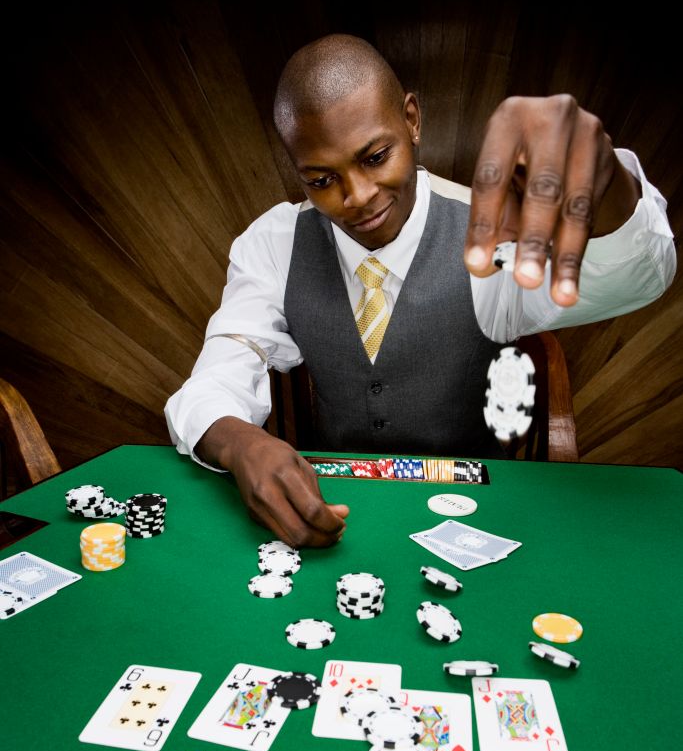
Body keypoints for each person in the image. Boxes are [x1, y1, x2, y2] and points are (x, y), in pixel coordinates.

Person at [165, 34, 675, 548]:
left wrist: (604, 182)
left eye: (375, 157)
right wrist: (239, 442)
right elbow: (222, 366)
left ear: (412, 119)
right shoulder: (274, 243)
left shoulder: (488, 233)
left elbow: (634, 278)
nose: (357, 197)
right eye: (321, 180)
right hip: (338, 511)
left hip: (476, 515)